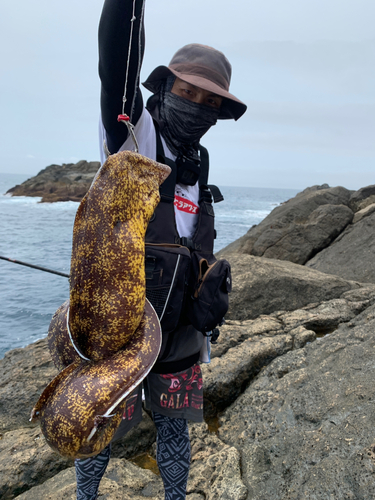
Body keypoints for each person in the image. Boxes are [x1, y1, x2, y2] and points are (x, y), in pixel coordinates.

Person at [74, 1, 247, 499]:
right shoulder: (136, 138)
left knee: (175, 430)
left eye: (209, 102)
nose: (197, 106)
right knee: (99, 428)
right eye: (187, 92)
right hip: (120, 331)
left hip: (181, 335)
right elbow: (117, 68)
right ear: (165, 89)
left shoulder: (199, 160)